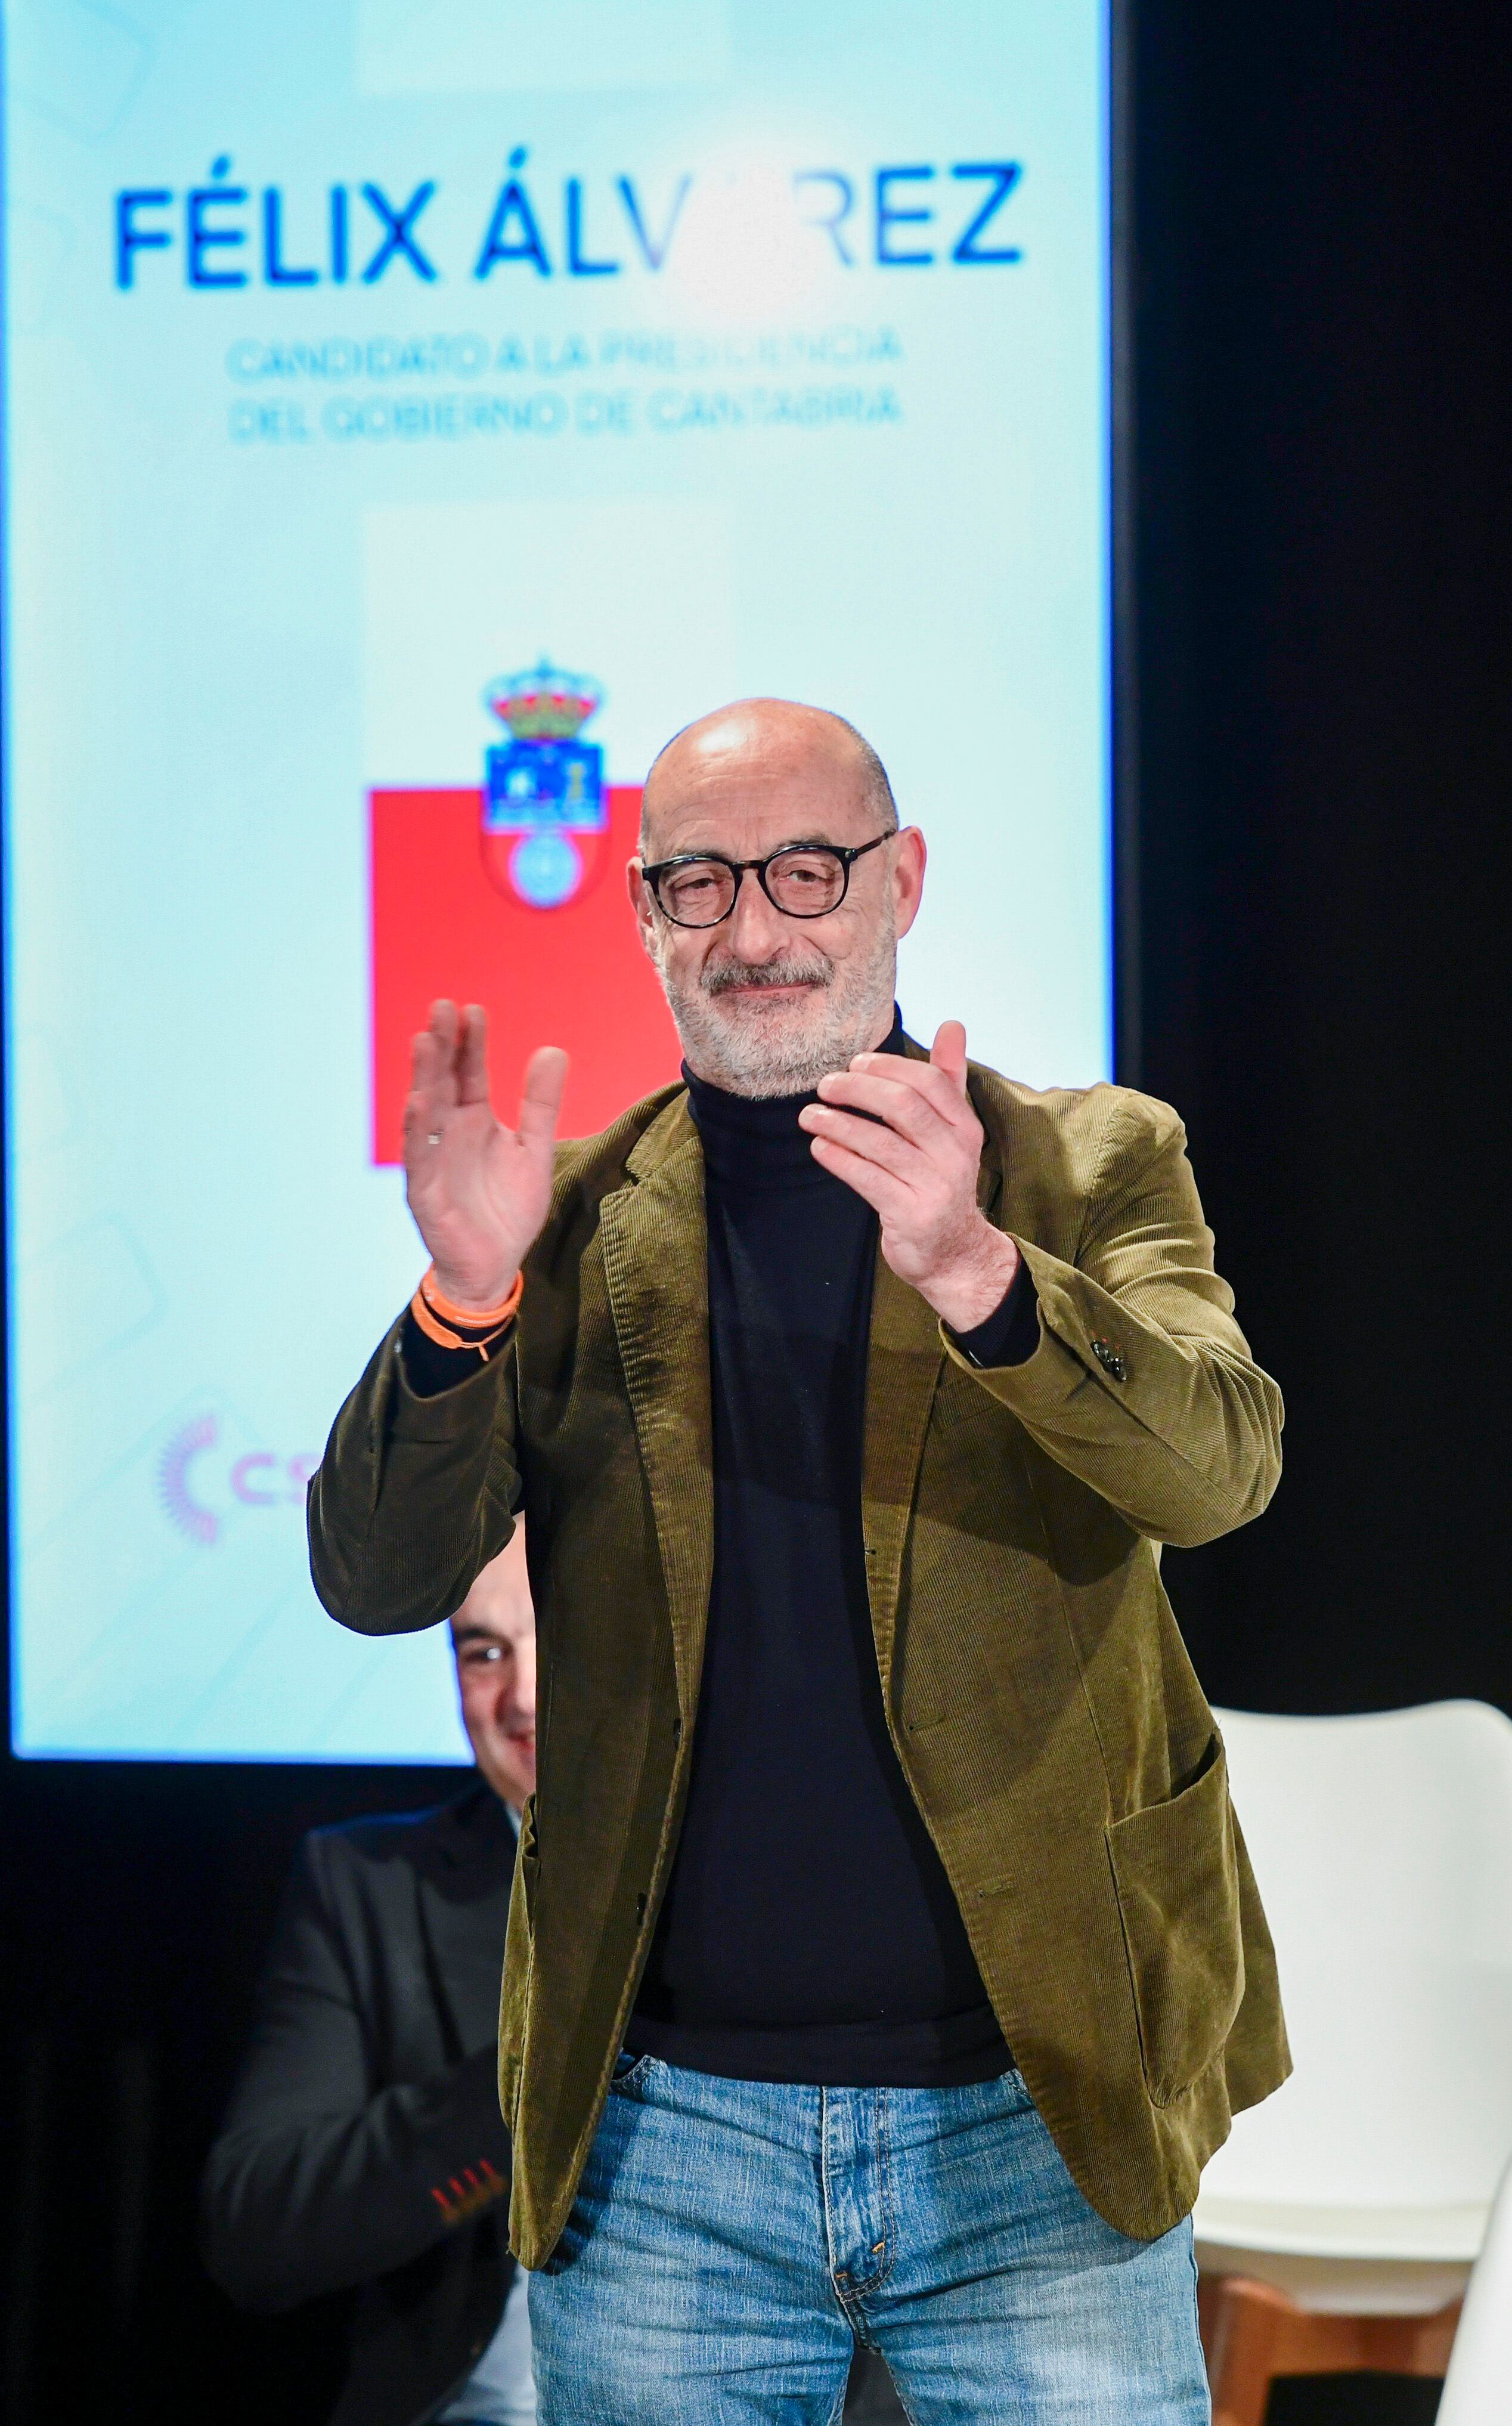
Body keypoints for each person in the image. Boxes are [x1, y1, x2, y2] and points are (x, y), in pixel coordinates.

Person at [309, 698, 1290, 2424]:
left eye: (807, 869)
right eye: (698, 884)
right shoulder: (578, 1215)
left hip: (1035, 2103)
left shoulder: (1087, 1163)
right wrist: (464, 1302)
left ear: (901, 879)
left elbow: (1219, 1471)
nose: (755, 928)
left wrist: (986, 1277)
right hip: (668, 2131)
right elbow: (378, 1574)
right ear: (642, 912)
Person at [204, 1518, 904, 2426]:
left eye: (561, 1634)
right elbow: (257, 2231)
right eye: (486, 1652)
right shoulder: (368, 1888)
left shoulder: (810, 1870)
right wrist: (538, 2072)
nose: (524, 1697)